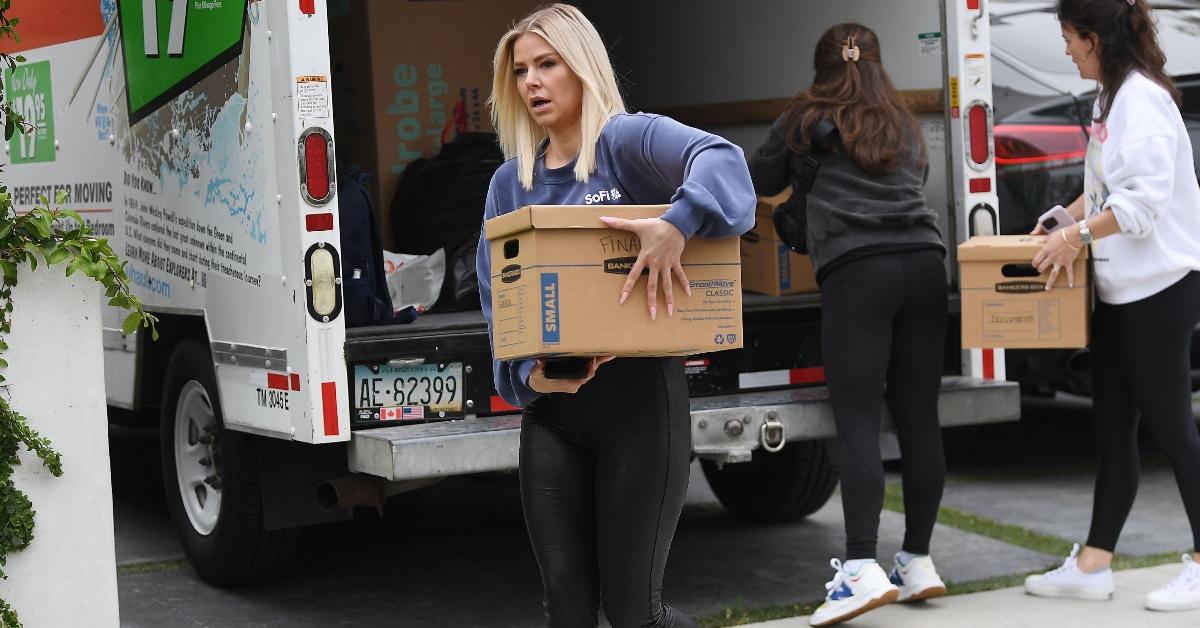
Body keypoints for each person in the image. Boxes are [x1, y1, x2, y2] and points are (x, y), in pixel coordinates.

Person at [476, 5, 755, 626]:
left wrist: (675, 225)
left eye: (548, 64)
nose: (532, 83)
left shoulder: (627, 142)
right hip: (553, 414)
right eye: (520, 71)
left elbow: (725, 163)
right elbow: (497, 298)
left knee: (632, 610)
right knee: (567, 606)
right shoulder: (510, 183)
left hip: (638, 404)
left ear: (582, 68)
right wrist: (527, 380)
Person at [747, 23, 950, 627]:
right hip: (925, 264)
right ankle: (917, 562)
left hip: (860, 273)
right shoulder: (904, 123)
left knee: (858, 418)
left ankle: (861, 567)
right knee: (919, 418)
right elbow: (910, 184)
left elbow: (757, 182)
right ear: (878, 65)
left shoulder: (805, 117)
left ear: (820, 68)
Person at [1023, 0, 1200, 612]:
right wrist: (1065, 217)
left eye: (1069, 38)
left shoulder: (1141, 101)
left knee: (1174, 425)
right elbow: (1108, 186)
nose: (1066, 49)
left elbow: (1142, 204)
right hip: (1122, 288)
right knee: (1112, 426)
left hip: (1161, 285)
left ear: (1095, 38)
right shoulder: (1111, 96)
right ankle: (1095, 563)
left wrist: (1076, 237)